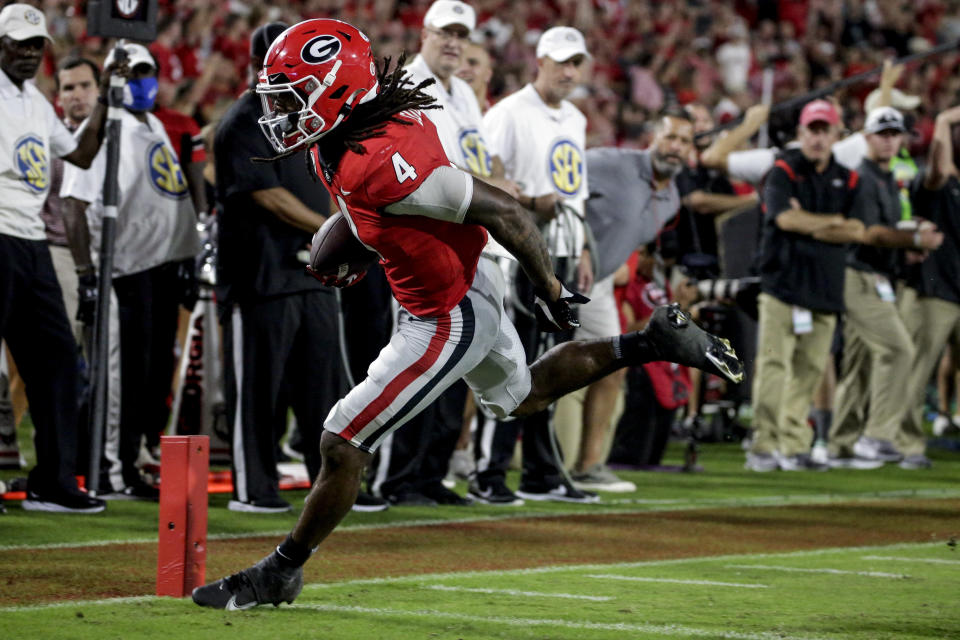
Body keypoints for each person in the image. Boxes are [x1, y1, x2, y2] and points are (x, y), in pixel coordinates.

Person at [191, 18, 741, 609]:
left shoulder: (380, 159)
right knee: (522, 395)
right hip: (457, 283)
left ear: (335, 90)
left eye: (292, 97)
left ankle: (282, 569)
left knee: (341, 441)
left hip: (444, 312)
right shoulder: (358, 125)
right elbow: (391, 213)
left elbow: (506, 213)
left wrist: (550, 289)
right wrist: (362, 237)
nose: (281, 113)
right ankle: (649, 343)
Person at [213, 22, 384, 514]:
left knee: (324, 389)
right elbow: (267, 194)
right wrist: (336, 227)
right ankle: (255, 489)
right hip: (259, 276)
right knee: (257, 392)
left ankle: (329, 484)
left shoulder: (312, 120)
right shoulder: (244, 119)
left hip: (311, 275)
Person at [365, 0, 513, 507]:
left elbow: (475, 158)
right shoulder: (403, 87)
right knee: (414, 364)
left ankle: (429, 475)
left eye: (460, 34)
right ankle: (392, 477)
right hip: (424, 244)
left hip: (466, 240)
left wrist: (496, 180)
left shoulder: (464, 93)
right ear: (423, 33)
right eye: (444, 32)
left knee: (456, 367)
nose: (453, 42)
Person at [60, 43, 200, 500]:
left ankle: (132, 456)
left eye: (147, 71)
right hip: (124, 269)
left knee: (154, 375)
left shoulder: (154, 123)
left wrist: (184, 258)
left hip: (161, 268)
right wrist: (86, 273)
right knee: (124, 377)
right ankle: (115, 470)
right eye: (131, 73)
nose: (141, 80)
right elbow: (74, 205)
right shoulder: (104, 129)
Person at [468, 25, 596, 506]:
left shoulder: (577, 119)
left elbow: (576, 191)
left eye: (575, 62)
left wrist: (581, 247)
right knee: (511, 361)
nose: (568, 71)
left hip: (560, 250)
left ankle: (543, 471)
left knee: (552, 365)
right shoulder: (508, 113)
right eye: (560, 61)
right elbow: (487, 178)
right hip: (517, 253)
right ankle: (490, 471)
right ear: (539, 61)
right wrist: (529, 204)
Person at [0, 3, 111, 513]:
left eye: (36, 44)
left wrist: (106, 96)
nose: (28, 53)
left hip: (32, 243)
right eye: (18, 43)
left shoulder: (36, 102)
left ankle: (53, 480)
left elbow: (82, 154)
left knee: (58, 360)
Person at [566, 112, 696, 493]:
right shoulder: (613, 162)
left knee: (614, 365)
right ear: (653, 137)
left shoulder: (671, 197)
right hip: (559, 271)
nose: (676, 147)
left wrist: (616, 262)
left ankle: (588, 465)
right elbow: (561, 179)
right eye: (671, 137)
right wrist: (583, 246)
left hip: (598, 285)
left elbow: (629, 232)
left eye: (685, 142)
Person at [745, 100, 866, 472]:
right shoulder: (782, 170)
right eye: (811, 130)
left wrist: (809, 220)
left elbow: (858, 229)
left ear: (835, 134)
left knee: (809, 371)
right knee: (774, 366)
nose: (817, 137)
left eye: (824, 130)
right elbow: (784, 219)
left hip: (825, 290)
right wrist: (833, 223)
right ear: (801, 133)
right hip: (782, 285)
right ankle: (764, 446)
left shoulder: (849, 177)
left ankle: (794, 445)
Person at [828, 107, 943, 468]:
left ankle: (841, 444)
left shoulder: (888, 177)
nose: (890, 140)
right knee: (899, 351)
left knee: (860, 365)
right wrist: (915, 238)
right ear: (867, 137)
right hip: (858, 276)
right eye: (883, 133)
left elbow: (882, 234)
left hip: (875, 274)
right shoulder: (864, 177)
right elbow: (870, 233)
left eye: (896, 134)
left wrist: (905, 250)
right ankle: (876, 437)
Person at [897, 105, 960, 469]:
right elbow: (938, 169)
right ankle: (907, 443)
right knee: (917, 369)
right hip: (938, 293)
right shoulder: (940, 182)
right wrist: (945, 121)